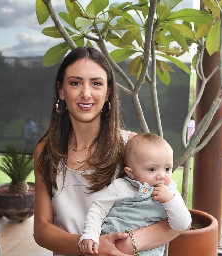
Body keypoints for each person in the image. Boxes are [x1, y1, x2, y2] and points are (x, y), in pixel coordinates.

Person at [33, 47, 185, 255]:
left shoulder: (130, 146)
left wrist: (125, 244)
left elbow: (173, 218)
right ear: (61, 90)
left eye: (96, 83)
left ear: (108, 92)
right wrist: (90, 247)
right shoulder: (45, 150)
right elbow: (41, 229)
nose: (86, 93)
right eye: (75, 83)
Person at [78, 133, 191, 255]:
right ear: (130, 172)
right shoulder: (120, 186)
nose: (162, 176)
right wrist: (90, 234)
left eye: (167, 169)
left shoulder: (170, 192)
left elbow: (182, 224)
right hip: (110, 244)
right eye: (152, 169)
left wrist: (170, 200)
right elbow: (98, 209)